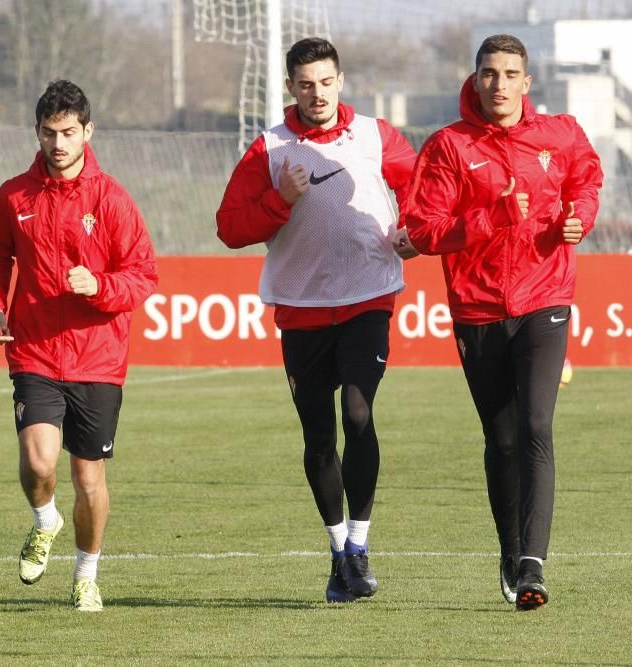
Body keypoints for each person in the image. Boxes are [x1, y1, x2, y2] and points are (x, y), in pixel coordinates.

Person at [403, 34, 602, 610]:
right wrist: (490, 215)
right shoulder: (447, 146)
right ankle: (510, 550)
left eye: (510, 73)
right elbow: (422, 230)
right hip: (478, 308)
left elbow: (585, 182)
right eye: (489, 73)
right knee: (503, 437)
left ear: (527, 82)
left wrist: (578, 219)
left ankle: (534, 566)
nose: (499, 84)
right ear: (475, 77)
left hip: (546, 298)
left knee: (538, 425)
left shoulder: (560, 134)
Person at [216, 37, 417, 603]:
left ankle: (359, 543)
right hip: (301, 312)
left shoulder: (376, 136)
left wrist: (416, 233)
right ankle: (336, 553)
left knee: (358, 411)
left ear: (341, 80)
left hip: (369, 297)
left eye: (326, 82)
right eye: (306, 84)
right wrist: (279, 200)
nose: (317, 93)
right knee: (318, 436)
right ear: (290, 88)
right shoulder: (269, 149)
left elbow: (426, 189)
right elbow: (230, 227)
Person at [0, 80, 158, 612]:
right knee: (38, 463)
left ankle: (86, 574)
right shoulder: (14, 196)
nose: (58, 143)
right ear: (37, 132)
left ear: (87, 132)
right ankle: (43, 519)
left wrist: (99, 287)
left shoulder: (112, 198)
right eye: (50, 133)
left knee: (87, 475)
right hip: (33, 350)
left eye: (69, 133)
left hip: (98, 358)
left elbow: (143, 275)